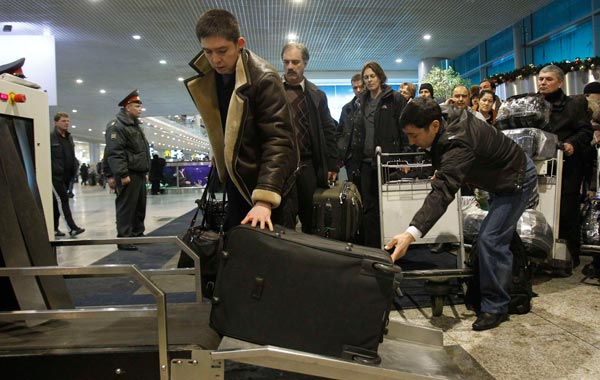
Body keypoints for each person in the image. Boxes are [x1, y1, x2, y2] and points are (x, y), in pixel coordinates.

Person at [385, 97, 537, 331]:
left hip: (515, 179)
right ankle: (508, 283)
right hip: (498, 176)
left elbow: (443, 191)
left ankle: (496, 306)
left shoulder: (458, 141)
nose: (411, 141)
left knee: (491, 239)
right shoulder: (443, 119)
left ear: (434, 125)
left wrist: (410, 234)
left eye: (414, 135)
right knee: (496, 237)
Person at [185, 9, 298, 232]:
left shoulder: (264, 78)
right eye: (207, 52)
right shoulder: (211, 78)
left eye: (222, 51)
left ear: (240, 43)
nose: (215, 59)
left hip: (266, 184)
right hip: (237, 180)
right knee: (237, 250)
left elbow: (279, 140)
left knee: (269, 257)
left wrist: (265, 198)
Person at [347, 61, 407, 247]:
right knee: (369, 208)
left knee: (391, 207)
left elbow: (404, 129)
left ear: (380, 76)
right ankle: (373, 249)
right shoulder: (361, 101)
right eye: (366, 77)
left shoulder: (394, 99)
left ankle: (393, 246)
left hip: (389, 162)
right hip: (365, 162)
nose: (369, 80)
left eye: (372, 76)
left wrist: (404, 158)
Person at [538, 64, 593, 269]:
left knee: (566, 213)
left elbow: (586, 132)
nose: (543, 82)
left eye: (548, 79)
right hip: (539, 168)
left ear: (560, 82)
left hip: (567, 168)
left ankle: (567, 258)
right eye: (541, 79)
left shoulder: (574, 105)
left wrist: (571, 144)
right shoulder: (532, 104)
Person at [281, 42, 339, 233]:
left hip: (308, 165)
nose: (290, 66)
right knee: (283, 218)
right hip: (281, 165)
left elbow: (328, 129)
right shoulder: (273, 92)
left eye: (295, 62)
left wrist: (332, 165)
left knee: (311, 218)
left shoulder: (317, 95)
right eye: (286, 62)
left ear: (305, 63)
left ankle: (308, 258)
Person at [103, 89, 151, 251]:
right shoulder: (117, 126)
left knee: (139, 205)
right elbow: (114, 152)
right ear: (127, 107)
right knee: (126, 206)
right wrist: (121, 174)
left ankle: (137, 233)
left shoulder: (135, 126)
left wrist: (145, 172)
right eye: (137, 105)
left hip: (138, 172)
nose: (140, 109)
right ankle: (124, 238)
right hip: (128, 173)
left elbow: (141, 150)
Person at [50, 112, 85, 237]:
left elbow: (71, 155)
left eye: (67, 121)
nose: (66, 123)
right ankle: (72, 228)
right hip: (55, 176)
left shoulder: (69, 137)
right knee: (63, 200)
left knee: (56, 203)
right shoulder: (51, 137)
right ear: (56, 122)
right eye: (63, 121)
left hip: (67, 176)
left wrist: (74, 169)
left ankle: (53, 228)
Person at [338, 73, 364, 181]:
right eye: (355, 88)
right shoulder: (347, 108)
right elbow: (340, 131)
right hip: (350, 158)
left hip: (366, 157)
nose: (358, 90)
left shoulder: (373, 106)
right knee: (353, 192)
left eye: (361, 87)